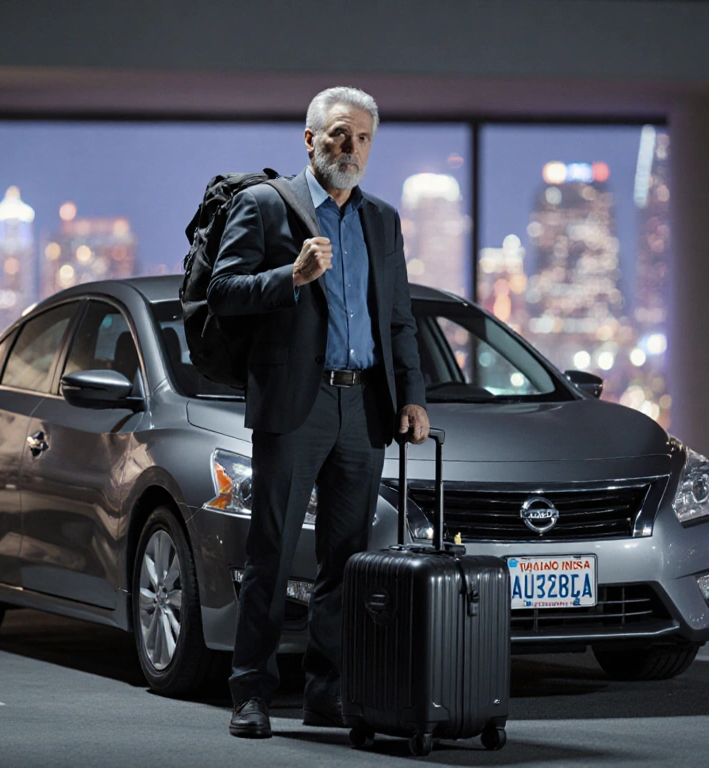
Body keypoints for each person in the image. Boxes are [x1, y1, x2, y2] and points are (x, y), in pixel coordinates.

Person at [208, 86, 430, 739]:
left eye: (362, 137)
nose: (350, 148)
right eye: (338, 134)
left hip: (364, 406)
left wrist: (412, 396)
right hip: (295, 406)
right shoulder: (264, 206)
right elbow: (224, 291)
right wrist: (291, 278)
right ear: (309, 139)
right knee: (272, 551)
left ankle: (326, 691)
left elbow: (399, 320)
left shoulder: (381, 220)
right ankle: (250, 692)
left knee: (347, 557)